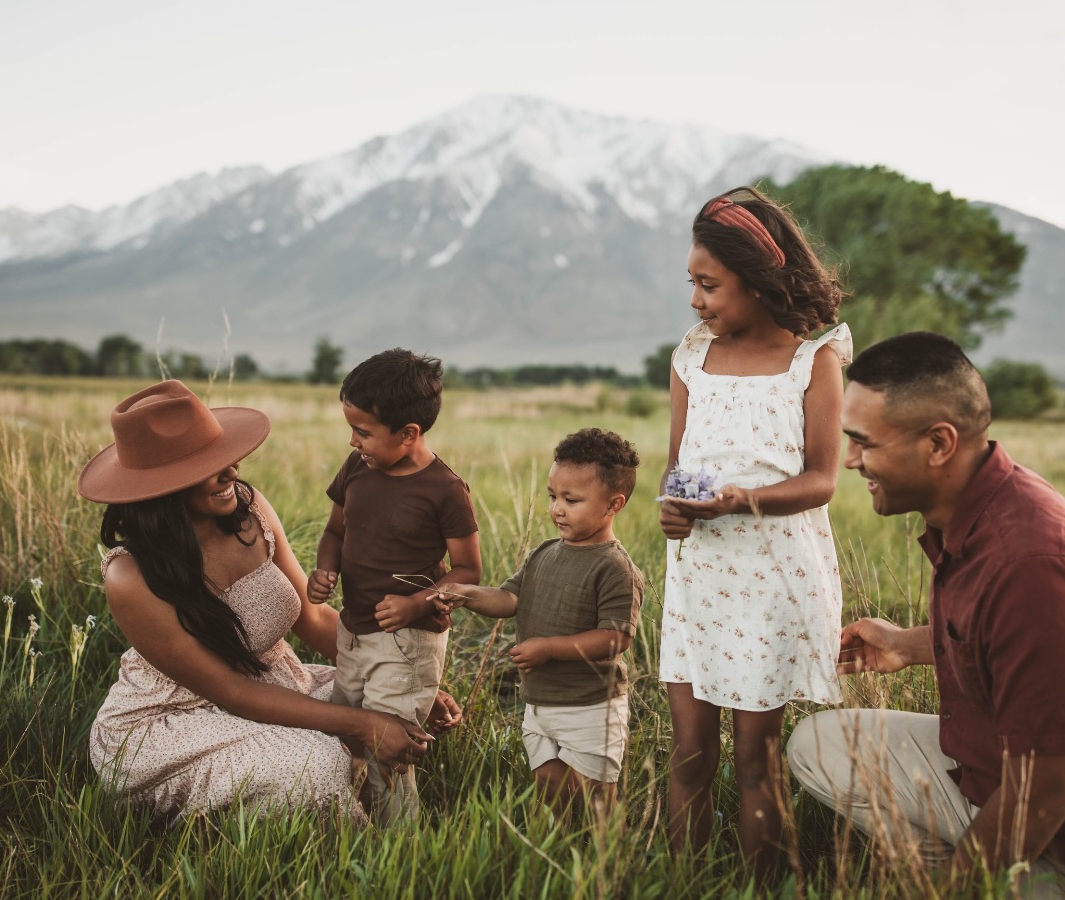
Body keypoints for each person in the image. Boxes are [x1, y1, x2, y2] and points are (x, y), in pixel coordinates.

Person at [787, 332, 1065, 899]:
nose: (852, 460)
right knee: (819, 745)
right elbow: (1005, 643)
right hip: (998, 776)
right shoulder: (972, 508)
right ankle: (977, 872)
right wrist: (910, 644)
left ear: (939, 444)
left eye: (863, 443)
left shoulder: (1032, 563)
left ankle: (976, 883)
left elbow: (1046, 791)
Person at [79, 380, 461, 821]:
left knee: (396, 706)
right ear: (162, 485)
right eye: (208, 465)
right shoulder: (130, 574)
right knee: (317, 765)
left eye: (225, 457)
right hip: (175, 719)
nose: (232, 471)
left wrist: (402, 678)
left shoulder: (249, 510)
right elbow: (230, 690)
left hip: (275, 683)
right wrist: (364, 725)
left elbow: (314, 617)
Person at [658, 185, 850, 879]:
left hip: (770, 582)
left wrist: (741, 501)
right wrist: (672, 507)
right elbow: (677, 468)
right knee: (689, 754)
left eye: (708, 284)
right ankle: (684, 883)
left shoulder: (811, 362)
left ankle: (763, 884)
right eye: (692, 283)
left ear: (759, 279)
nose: (695, 299)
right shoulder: (690, 358)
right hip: (700, 577)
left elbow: (822, 479)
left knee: (754, 758)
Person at [306, 348, 482, 825]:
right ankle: (354, 825)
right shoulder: (358, 470)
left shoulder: (444, 490)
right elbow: (335, 532)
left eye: (363, 432)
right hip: (354, 632)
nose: (352, 440)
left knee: (389, 744)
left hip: (409, 642)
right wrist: (326, 571)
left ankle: (402, 846)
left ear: (409, 434)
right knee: (348, 736)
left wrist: (415, 604)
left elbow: (468, 571)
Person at [433, 428, 644, 820]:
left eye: (572, 500)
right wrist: (468, 594)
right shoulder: (545, 553)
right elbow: (510, 598)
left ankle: (608, 863)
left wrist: (548, 648)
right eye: (552, 496)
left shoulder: (615, 567)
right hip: (540, 701)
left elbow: (616, 637)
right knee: (549, 785)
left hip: (590, 706)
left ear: (614, 504)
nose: (557, 509)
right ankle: (560, 853)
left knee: (597, 796)